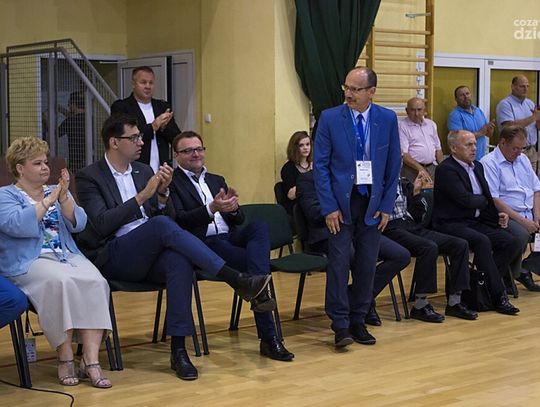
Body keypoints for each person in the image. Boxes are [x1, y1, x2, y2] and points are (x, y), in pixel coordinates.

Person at [75, 113, 271, 381]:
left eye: (140, 137)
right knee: (159, 227)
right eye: (134, 138)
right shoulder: (89, 176)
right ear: (114, 142)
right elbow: (100, 224)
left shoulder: (143, 171)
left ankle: (179, 350)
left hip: (149, 252)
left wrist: (162, 195)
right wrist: (144, 195)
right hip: (115, 254)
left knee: (179, 261)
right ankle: (235, 278)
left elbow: (168, 218)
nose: (141, 142)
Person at [168, 131, 293, 361]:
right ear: (177, 156)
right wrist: (212, 209)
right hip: (203, 245)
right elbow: (179, 221)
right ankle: (269, 338)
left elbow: (239, 219)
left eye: (199, 149)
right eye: (188, 150)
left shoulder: (216, 179)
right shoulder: (172, 183)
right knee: (258, 270)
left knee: (258, 227)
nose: (195, 154)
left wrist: (234, 209)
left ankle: (257, 289)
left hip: (230, 238)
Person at [0, 137, 113, 388]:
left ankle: (91, 360)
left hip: (65, 254)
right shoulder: (4, 196)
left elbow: (79, 224)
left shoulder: (56, 190)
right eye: (37, 163)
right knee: (61, 282)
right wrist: (49, 200)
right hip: (30, 259)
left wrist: (63, 198)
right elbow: (17, 226)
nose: (45, 168)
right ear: (20, 168)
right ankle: (65, 356)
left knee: (96, 281)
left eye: (45, 162)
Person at [314, 67, 401, 347]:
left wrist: (387, 205)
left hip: (372, 200)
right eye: (347, 88)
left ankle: (358, 319)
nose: (348, 94)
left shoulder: (387, 118)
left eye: (355, 89)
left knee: (366, 263)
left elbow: (393, 165)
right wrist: (328, 207)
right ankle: (340, 324)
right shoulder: (330, 118)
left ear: (371, 91)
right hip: (342, 200)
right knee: (339, 263)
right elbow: (321, 166)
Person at [296, 170, 410, 326]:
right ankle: (362, 305)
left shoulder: (349, 174)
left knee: (400, 255)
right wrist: (341, 207)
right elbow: (313, 212)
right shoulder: (307, 179)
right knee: (356, 257)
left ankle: (358, 297)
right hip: (327, 233)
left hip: (357, 230)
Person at [432, 130, 520, 315]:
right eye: (468, 145)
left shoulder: (477, 166)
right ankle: (498, 295)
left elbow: (484, 197)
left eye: (474, 144)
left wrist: (497, 215)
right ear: (453, 148)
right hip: (451, 223)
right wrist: (482, 201)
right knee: (482, 241)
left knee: (510, 241)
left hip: (475, 221)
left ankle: (483, 285)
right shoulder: (446, 169)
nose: (474, 148)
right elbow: (465, 200)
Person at [384, 173, 477, 322]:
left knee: (460, 244)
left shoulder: (404, 182)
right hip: (390, 228)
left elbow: (417, 216)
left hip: (411, 225)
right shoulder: (377, 181)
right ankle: (420, 305)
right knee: (428, 247)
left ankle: (455, 302)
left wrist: (416, 193)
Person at [480, 125, 540, 291]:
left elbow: (536, 190)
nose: (519, 153)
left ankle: (524, 268)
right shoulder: (489, 163)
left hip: (529, 211)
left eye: (522, 148)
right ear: (502, 143)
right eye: (515, 148)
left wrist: (537, 216)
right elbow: (494, 199)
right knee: (521, 235)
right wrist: (524, 222)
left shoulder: (523, 159)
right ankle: (509, 275)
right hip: (506, 215)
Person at [111, 66, 181, 173]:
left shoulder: (162, 106)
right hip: (134, 168)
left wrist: (164, 127)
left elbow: (176, 138)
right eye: (143, 82)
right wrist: (153, 127)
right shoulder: (122, 107)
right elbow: (124, 136)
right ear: (133, 84)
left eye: (151, 83)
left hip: (161, 168)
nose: (148, 86)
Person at [496, 76, 540, 171]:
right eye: (522, 86)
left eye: (527, 86)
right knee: (516, 178)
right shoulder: (505, 104)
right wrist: (533, 117)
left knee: (531, 179)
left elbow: (536, 127)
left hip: (531, 150)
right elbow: (509, 126)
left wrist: (538, 120)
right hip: (514, 151)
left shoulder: (530, 103)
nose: (525, 89)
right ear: (513, 87)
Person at [399, 97, 443, 182]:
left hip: (432, 167)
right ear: (407, 111)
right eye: (413, 110)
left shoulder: (431, 124)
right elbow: (404, 154)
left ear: (424, 110)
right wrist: (421, 169)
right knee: (413, 190)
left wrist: (443, 168)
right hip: (412, 169)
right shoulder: (402, 126)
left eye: (419, 110)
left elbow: (438, 149)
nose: (416, 113)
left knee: (435, 190)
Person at [448, 85, 495, 160]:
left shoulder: (478, 111)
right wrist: (480, 133)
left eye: (467, 94)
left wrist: (490, 129)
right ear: (456, 99)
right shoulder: (455, 115)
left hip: (481, 158)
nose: (466, 97)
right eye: (462, 95)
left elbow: (488, 134)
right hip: (465, 160)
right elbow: (457, 139)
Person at [280, 131, 312, 215]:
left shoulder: (316, 165)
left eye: (308, 144)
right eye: (301, 145)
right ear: (294, 148)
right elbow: (291, 195)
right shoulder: (288, 168)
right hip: (298, 208)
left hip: (314, 203)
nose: (305, 148)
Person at [58, 92, 86, 172]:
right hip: (90, 158)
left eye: (69, 104)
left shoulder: (70, 121)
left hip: (75, 161)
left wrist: (46, 120)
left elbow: (54, 134)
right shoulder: (91, 118)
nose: (68, 106)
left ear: (73, 105)